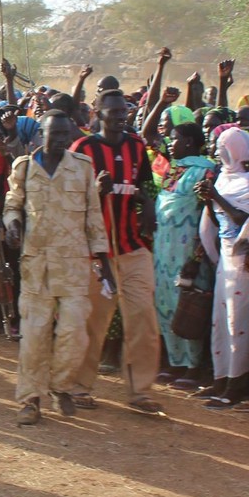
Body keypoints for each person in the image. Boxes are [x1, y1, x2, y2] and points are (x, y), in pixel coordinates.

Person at [4, 111, 114, 425]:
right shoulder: (24, 168)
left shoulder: (81, 168)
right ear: (41, 133)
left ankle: (61, 386)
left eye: (66, 135)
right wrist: (12, 225)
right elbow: (13, 204)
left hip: (74, 266)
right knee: (34, 336)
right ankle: (30, 399)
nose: (62, 141)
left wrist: (103, 261)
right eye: (56, 134)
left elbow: (94, 216)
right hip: (36, 265)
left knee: (74, 333)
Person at [70, 89, 164, 414]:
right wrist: (95, 192)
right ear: (96, 111)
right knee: (93, 321)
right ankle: (78, 387)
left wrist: (148, 204)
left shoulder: (136, 145)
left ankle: (140, 391)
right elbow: (71, 201)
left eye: (123, 111)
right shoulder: (82, 149)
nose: (120, 116)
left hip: (132, 246)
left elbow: (145, 186)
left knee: (143, 318)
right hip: (97, 252)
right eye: (113, 111)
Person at [196, 126, 249, 405]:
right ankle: (220, 378)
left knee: (239, 322)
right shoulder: (224, 178)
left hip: (243, 261)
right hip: (225, 257)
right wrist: (208, 200)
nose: (220, 154)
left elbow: (242, 221)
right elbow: (216, 217)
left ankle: (237, 385)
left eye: (225, 150)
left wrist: (215, 198)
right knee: (220, 321)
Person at [151, 122, 216, 387]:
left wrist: (197, 256)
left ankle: (193, 365)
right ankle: (175, 361)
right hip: (163, 252)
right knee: (165, 305)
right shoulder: (173, 169)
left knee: (188, 306)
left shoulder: (206, 171)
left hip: (188, 252)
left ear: (189, 141)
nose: (170, 142)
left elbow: (208, 218)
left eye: (175, 138)